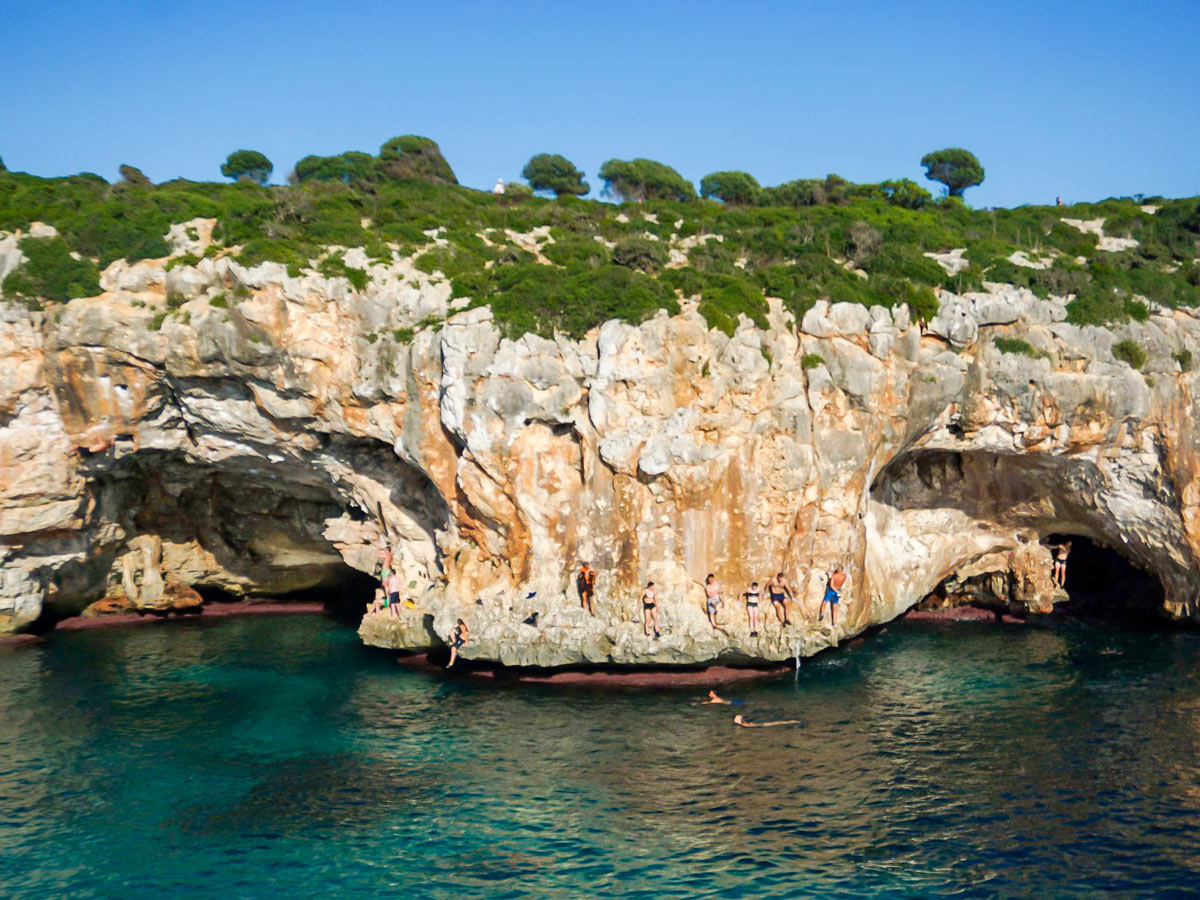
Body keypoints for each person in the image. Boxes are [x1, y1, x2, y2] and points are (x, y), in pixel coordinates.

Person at [734, 714, 802, 728]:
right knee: (777, 723)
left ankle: (792, 721)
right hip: (760, 725)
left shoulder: (745, 724)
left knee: (777, 722)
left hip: (757, 724)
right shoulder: (747, 724)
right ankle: (792, 721)